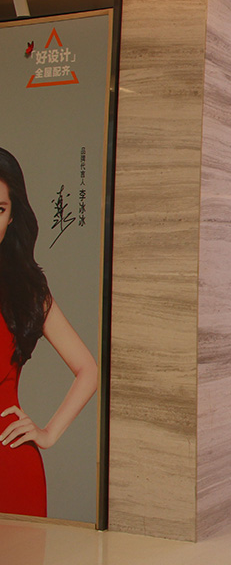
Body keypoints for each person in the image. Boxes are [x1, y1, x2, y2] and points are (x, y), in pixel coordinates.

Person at [0, 147, 98, 518]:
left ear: (12, 217)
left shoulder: (26, 291)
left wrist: (48, 432)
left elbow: (88, 370)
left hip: (10, 466)